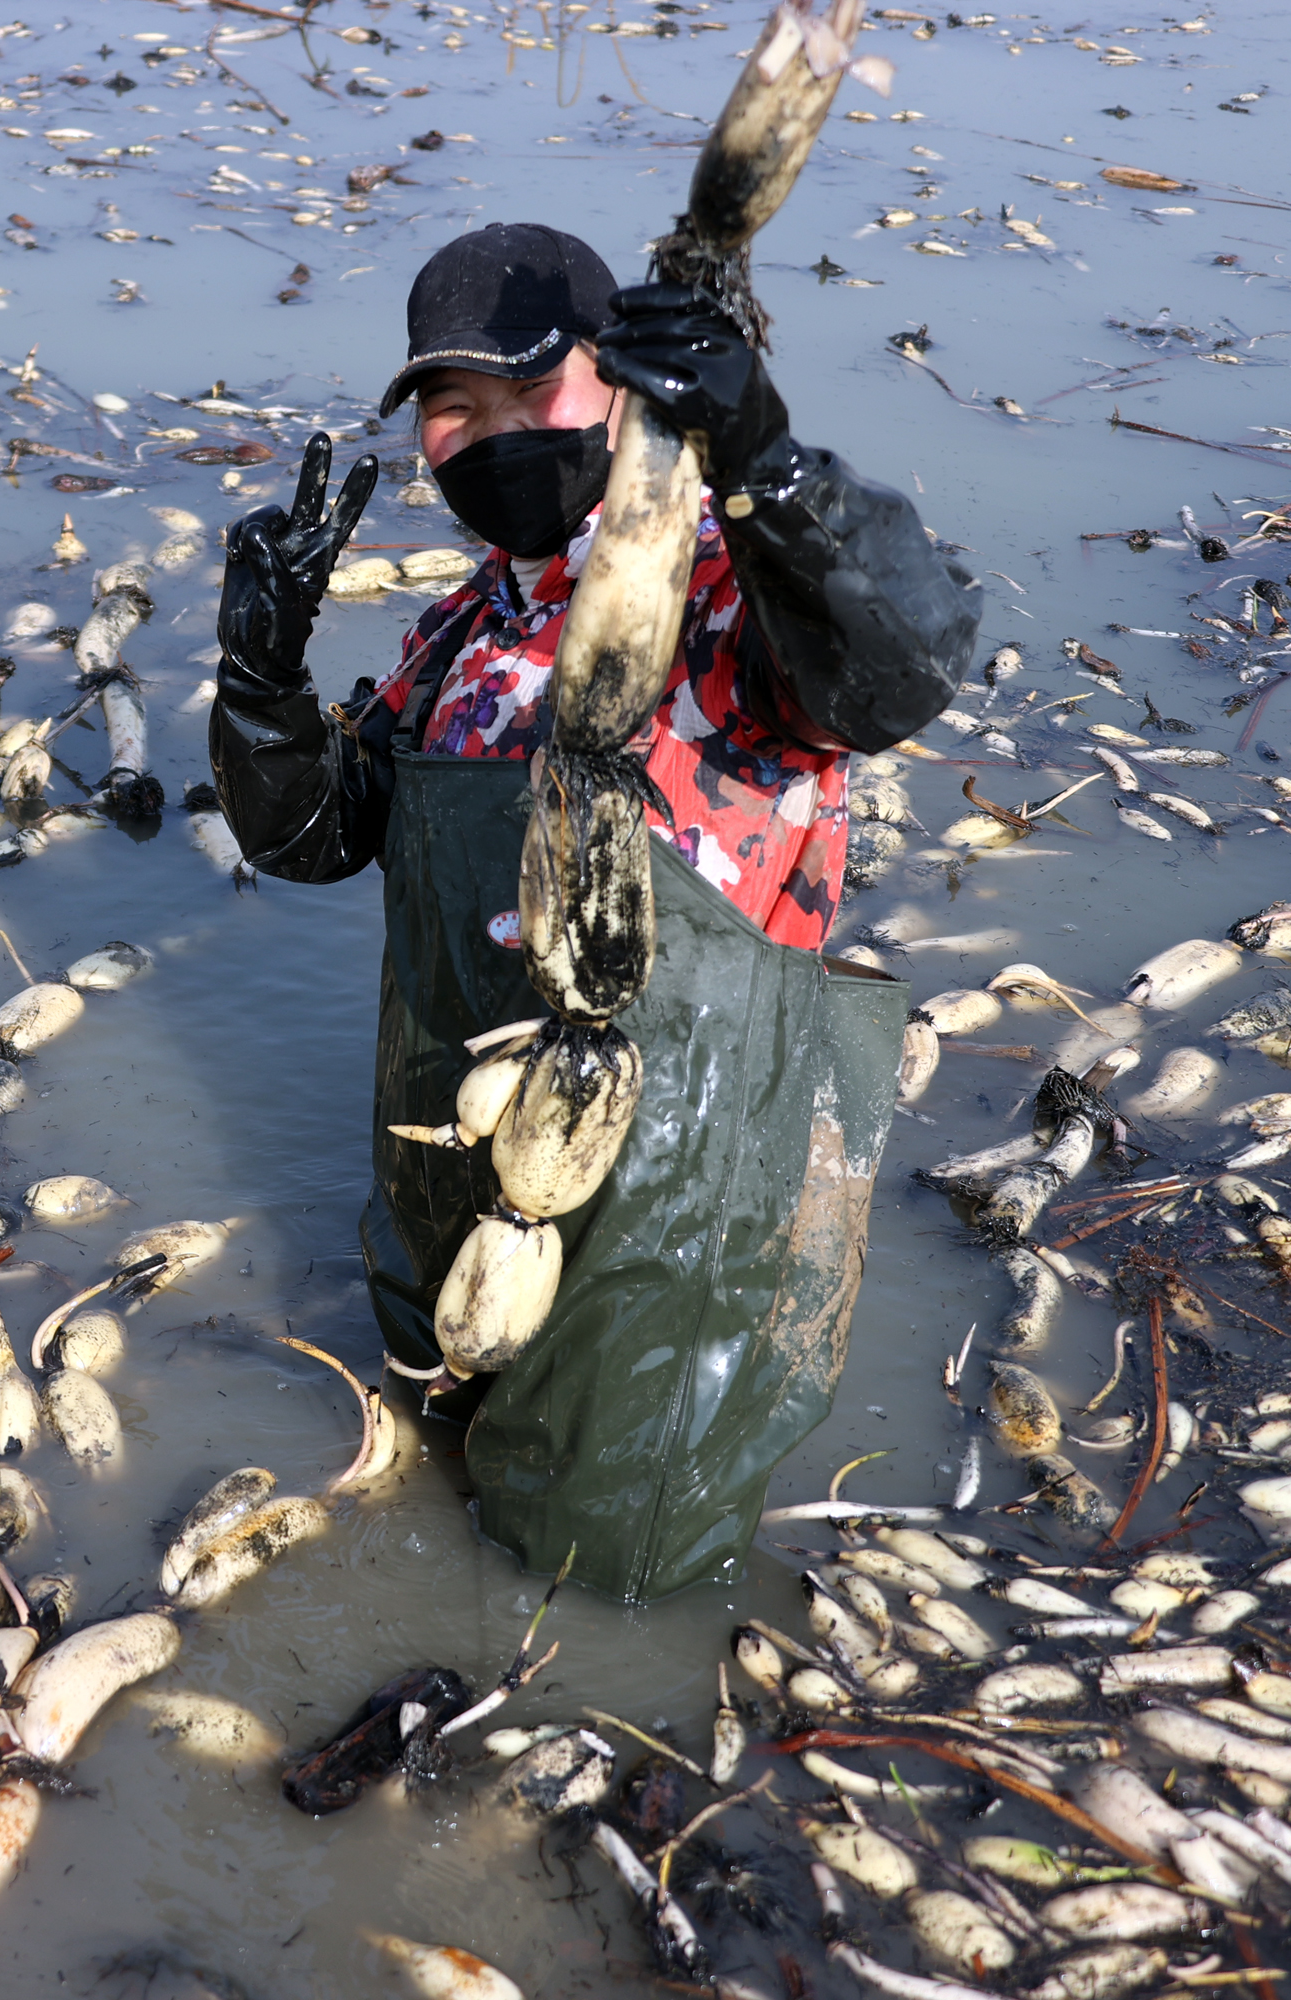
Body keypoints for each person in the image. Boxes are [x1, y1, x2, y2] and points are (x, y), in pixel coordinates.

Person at [208, 222, 980, 1599]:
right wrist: (262, 684)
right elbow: (324, 836)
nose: (496, 434)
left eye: (533, 393)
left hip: (673, 1190)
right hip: (451, 1157)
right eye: (458, 408)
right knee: (417, 1441)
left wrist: (769, 462)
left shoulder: (732, 600)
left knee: (601, 1557)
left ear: (619, 388)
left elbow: (894, 669)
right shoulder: (466, 625)